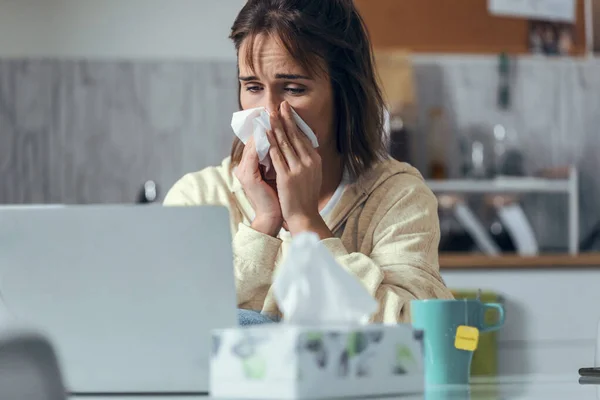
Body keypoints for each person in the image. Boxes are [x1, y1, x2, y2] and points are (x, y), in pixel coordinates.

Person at [164, 0, 454, 325]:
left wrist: (306, 223)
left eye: (293, 88)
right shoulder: (199, 198)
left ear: (343, 94)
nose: (270, 112)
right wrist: (264, 225)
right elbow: (177, 328)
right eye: (253, 87)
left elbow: (413, 336)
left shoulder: (399, 197)